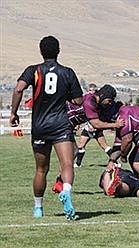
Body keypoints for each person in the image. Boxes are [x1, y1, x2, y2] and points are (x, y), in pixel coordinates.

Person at [10, 36, 83, 220]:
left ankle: (38, 208)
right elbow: (78, 101)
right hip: (60, 125)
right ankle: (65, 190)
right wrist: (65, 94)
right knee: (67, 164)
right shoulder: (67, 72)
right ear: (58, 51)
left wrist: (14, 113)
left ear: (41, 51)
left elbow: (19, 89)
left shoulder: (34, 71)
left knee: (41, 169)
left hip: (40, 126)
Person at [51, 86, 125, 193]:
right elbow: (96, 124)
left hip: (67, 125)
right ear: (103, 96)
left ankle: (59, 183)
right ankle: (60, 183)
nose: (109, 103)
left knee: (74, 152)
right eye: (109, 100)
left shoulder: (96, 104)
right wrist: (115, 125)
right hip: (61, 124)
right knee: (71, 153)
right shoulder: (90, 101)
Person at [73, 83, 113, 168]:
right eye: (89, 90)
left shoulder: (95, 102)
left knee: (104, 146)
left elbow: (96, 119)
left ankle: (115, 162)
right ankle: (77, 164)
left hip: (95, 127)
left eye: (92, 91)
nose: (90, 92)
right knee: (81, 145)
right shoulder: (88, 100)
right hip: (89, 126)